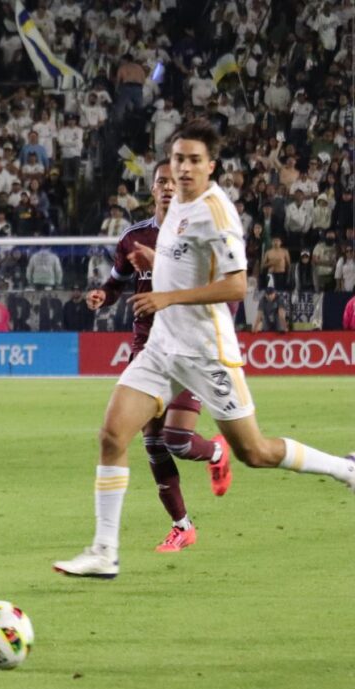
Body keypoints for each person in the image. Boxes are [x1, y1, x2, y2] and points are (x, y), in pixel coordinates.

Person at [54, 119, 355, 579]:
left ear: (211, 166)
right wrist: (154, 262)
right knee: (113, 434)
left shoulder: (217, 213)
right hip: (161, 346)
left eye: (195, 160)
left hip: (205, 351)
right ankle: (103, 551)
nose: (185, 168)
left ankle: (344, 468)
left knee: (254, 452)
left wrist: (167, 296)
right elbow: (182, 262)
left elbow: (236, 286)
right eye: (179, 160)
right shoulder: (175, 205)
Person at [85, 159, 232, 553]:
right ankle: (182, 525)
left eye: (173, 182)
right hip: (148, 350)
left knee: (178, 439)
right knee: (152, 443)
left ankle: (217, 450)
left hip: (190, 348)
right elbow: (116, 282)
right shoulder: (134, 237)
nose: (167, 187)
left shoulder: (201, 234)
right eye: (161, 182)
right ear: (152, 189)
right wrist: (103, 295)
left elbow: (226, 287)